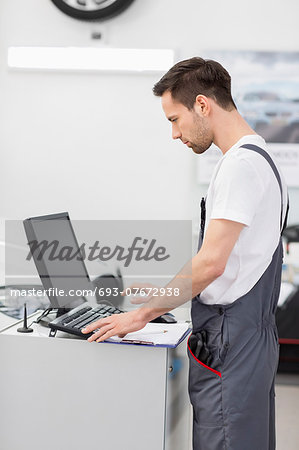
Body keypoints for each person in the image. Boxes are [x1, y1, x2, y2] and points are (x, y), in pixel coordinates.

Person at [82, 57, 289, 450]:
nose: (175, 135)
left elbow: (212, 263)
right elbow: (237, 265)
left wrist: (140, 317)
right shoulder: (260, 159)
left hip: (232, 341)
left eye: (174, 119)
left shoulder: (240, 166)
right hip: (248, 334)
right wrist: (164, 296)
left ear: (202, 105)